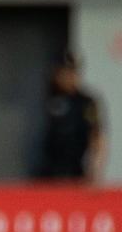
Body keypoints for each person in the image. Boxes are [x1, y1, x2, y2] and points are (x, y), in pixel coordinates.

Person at [37, 51, 107, 182]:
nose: (68, 77)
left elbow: (97, 139)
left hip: (75, 173)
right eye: (63, 72)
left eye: (72, 72)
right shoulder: (46, 98)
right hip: (48, 174)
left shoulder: (86, 102)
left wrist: (95, 172)